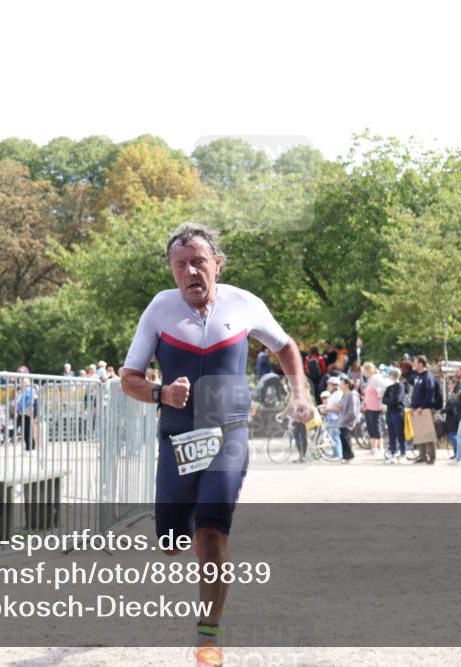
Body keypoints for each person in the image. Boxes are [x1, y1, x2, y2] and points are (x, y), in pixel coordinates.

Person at [119, 223, 311, 665]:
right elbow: (128, 378)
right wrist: (160, 394)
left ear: (217, 265)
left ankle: (209, 636)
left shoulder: (245, 304)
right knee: (172, 541)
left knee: (211, 534)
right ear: (171, 271)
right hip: (178, 437)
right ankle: (191, 531)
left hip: (229, 434)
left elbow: (286, 347)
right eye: (180, 265)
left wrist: (299, 394)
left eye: (199, 262)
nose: (190, 272)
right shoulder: (159, 309)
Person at [409, 356, 437, 464]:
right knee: (419, 434)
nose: (414, 365)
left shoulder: (427, 376)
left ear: (421, 364)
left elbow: (430, 393)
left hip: (424, 409)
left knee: (428, 434)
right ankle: (422, 456)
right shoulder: (418, 376)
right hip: (416, 409)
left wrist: (422, 406)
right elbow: (416, 393)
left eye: (415, 362)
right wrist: (413, 406)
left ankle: (431, 457)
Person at [382, 367, 407, 464]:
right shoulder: (389, 387)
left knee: (400, 433)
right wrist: (390, 400)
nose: (389, 376)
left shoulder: (400, 386)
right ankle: (393, 453)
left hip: (398, 412)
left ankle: (403, 453)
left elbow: (396, 399)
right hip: (390, 412)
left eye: (390, 374)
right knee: (391, 433)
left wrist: (389, 400)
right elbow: (384, 399)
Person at [360, 362, 386, 457]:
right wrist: (364, 403)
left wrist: (380, 395)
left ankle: (381, 448)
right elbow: (367, 394)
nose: (363, 373)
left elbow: (384, 387)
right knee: (371, 428)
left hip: (376, 407)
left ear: (368, 370)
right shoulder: (370, 380)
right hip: (369, 407)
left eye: (364, 371)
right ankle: (373, 448)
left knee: (376, 428)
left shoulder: (376, 378)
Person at [337, 376, 359, 463]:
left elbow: (353, 411)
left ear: (346, 385)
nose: (340, 385)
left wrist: (344, 420)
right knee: (342, 437)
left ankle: (350, 456)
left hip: (348, 421)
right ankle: (345, 457)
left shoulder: (352, 395)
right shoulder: (344, 395)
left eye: (341, 384)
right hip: (342, 420)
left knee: (346, 438)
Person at [323, 376, 344, 460]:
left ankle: (338, 455)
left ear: (335, 385)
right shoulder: (333, 394)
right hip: (332, 417)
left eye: (330, 384)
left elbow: (339, 406)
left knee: (335, 436)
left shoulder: (338, 394)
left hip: (335, 418)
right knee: (333, 437)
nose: (328, 386)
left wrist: (328, 408)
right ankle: (335, 453)